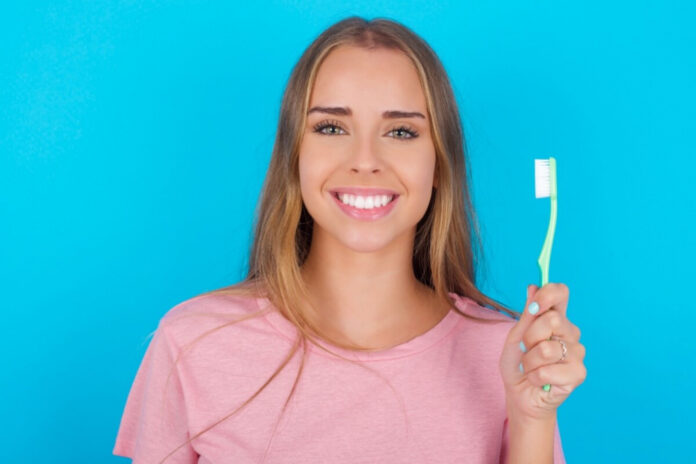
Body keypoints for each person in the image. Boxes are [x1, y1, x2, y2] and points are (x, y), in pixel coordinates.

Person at [113, 16, 586, 464]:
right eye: (331, 127)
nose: (365, 160)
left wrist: (532, 418)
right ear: (295, 156)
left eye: (400, 131)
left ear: (439, 165)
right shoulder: (193, 343)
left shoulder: (507, 357)